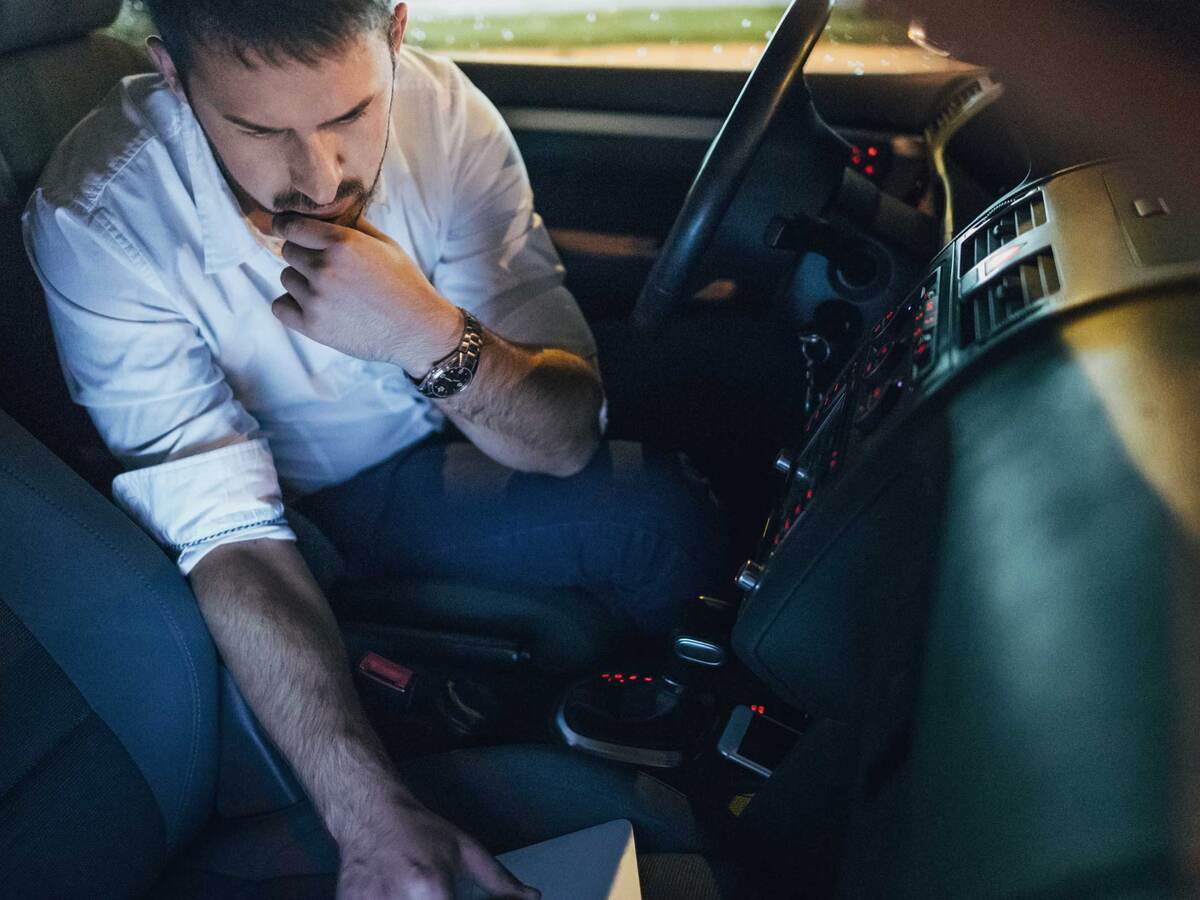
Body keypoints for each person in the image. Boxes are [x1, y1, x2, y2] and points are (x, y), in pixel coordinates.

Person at [21, 1, 728, 896]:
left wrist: (424, 336)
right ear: (172, 75)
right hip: (309, 514)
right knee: (652, 514)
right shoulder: (102, 216)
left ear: (395, 34)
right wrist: (370, 817)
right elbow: (229, 539)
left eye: (350, 116)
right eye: (255, 126)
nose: (317, 177)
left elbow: (561, 438)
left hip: (446, 440)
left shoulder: (443, 112)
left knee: (673, 482)